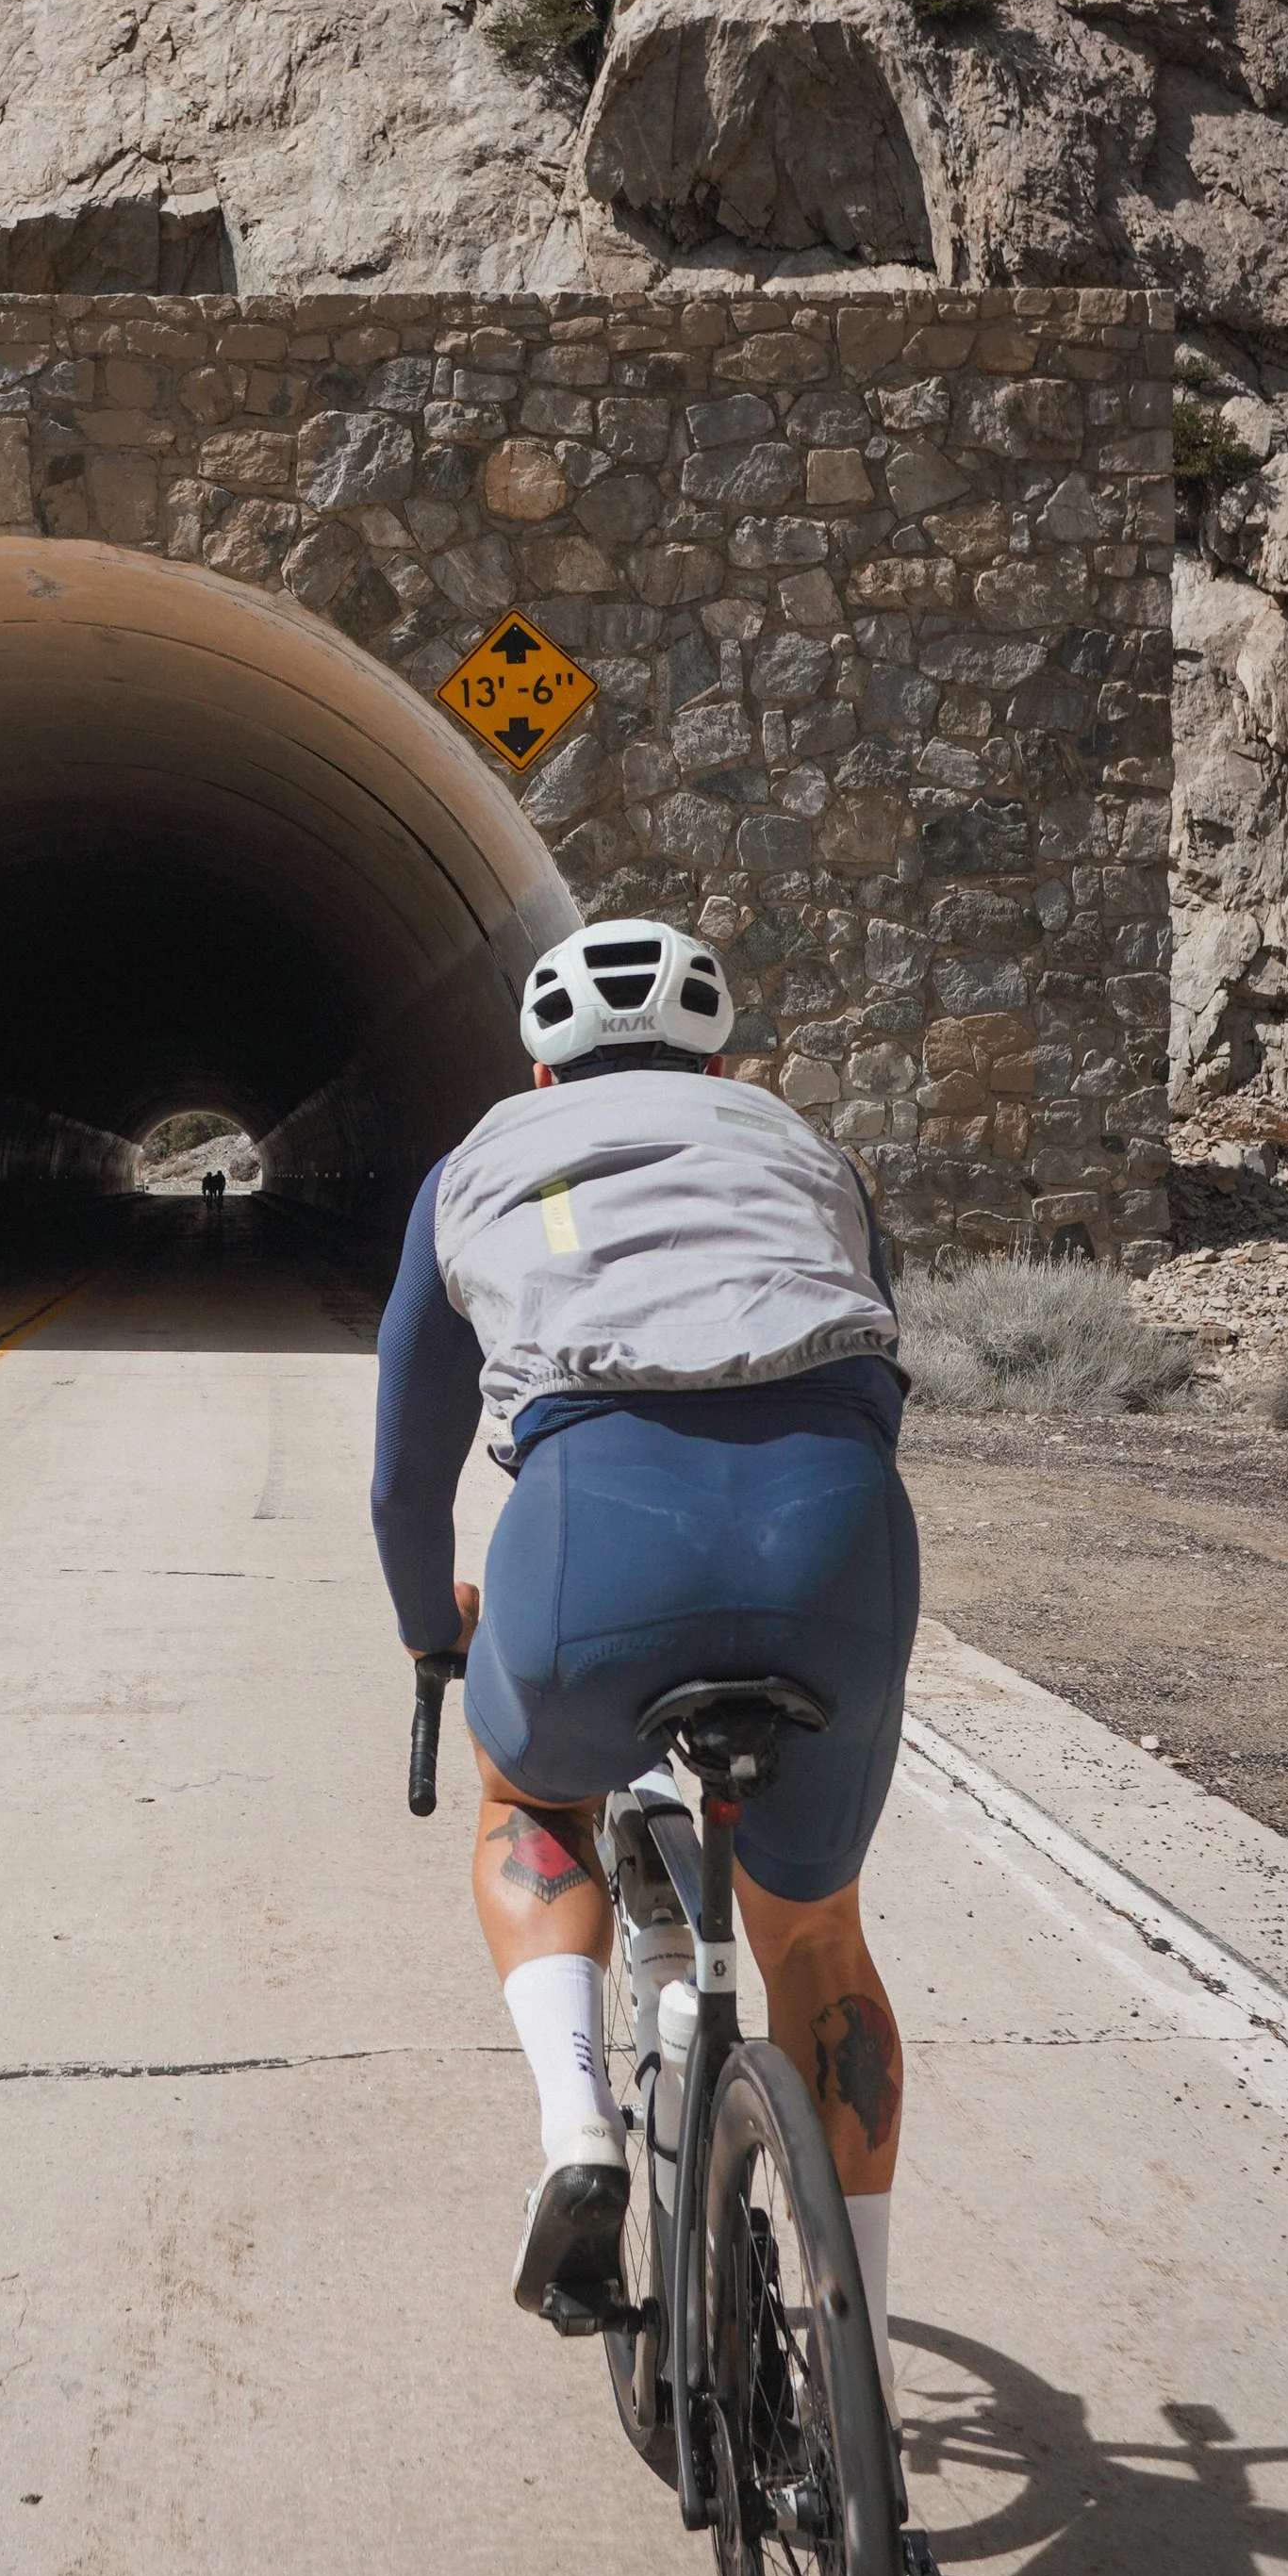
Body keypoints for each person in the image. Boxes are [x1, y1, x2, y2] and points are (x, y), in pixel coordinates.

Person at [370, 915, 919, 2407]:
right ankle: (852, 2362)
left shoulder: (477, 1165)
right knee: (815, 1942)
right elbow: (868, 1360)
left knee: (529, 1795)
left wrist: (439, 1635)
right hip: (834, 1532)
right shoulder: (806, 1149)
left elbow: (405, 1485)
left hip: (592, 1543)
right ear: (724, 1061)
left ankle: (578, 2125)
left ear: (541, 1068)